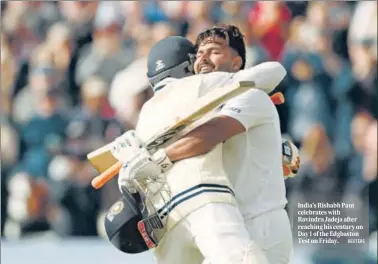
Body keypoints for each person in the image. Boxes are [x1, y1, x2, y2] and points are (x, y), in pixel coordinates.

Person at [111, 26, 297, 264]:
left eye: (214, 51)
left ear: (236, 62)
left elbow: (210, 134)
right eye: (199, 53)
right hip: (231, 221)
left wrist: (154, 158)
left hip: (262, 222)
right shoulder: (205, 105)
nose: (203, 59)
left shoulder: (251, 95)